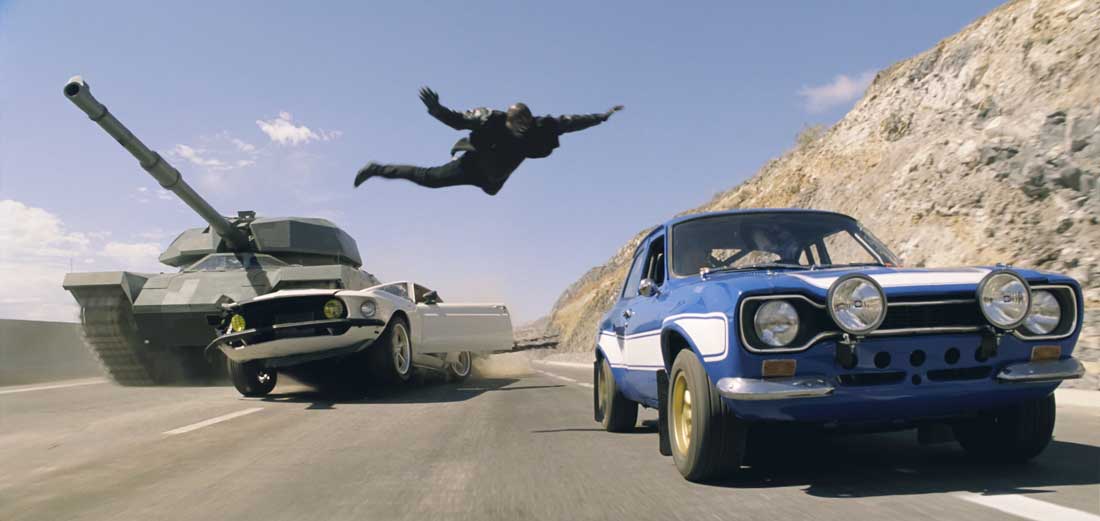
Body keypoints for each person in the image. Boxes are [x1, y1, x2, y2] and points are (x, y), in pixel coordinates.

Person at [353, 87, 623, 195]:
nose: (521, 131)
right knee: (429, 179)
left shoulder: (540, 127)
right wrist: (437, 109)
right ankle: (376, 168)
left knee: (493, 189)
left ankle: (492, 181)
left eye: (525, 126)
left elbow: (571, 121)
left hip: (494, 179)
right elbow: (458, 120)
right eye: (517, 126)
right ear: (508, 120)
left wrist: (601, 117)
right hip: (471, 166)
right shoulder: (490, 119)